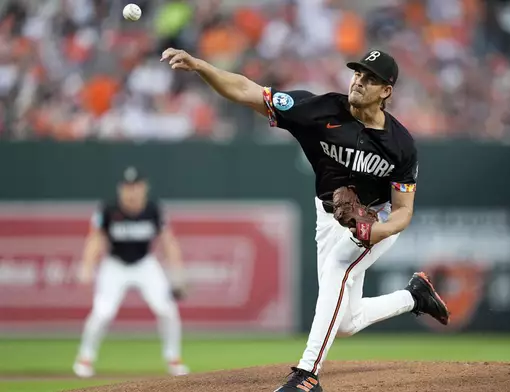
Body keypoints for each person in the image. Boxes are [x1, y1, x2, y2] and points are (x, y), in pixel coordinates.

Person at [160, 47, 450, 391]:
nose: (359, 81)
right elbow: (246, 90)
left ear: (386, 91)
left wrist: (375, 230)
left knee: (338, 269)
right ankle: (414, 296)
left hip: (378, 217)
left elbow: (403, 211)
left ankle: (307, 374)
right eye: (357, 73)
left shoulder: (401, 145)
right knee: (345, 321)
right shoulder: (319, 110)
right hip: (328, 214)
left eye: (370, 78)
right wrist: (200, 66)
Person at [72, 167, 189, 378]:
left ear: (144, 188)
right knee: (102, 312)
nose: (132, 192)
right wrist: (87, 266)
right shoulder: (108, 209)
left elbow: (168, 241)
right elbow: (95, 239)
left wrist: (177, 272)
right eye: (127, 187)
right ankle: (85, 358)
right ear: (120, 190)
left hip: (145, 264)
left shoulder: (154, 209)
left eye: (136, 187)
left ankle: (174, 359)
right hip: (114, 265)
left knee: (167, 310)